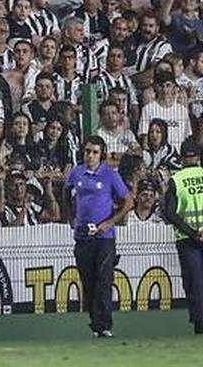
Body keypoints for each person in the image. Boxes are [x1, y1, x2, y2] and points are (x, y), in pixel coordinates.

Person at [65, 134, 133, 338]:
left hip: (104, 237)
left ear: (101, 154)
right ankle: (95, 323)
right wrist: (70, 217)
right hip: (83, 235)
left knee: (104, 279)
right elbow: (66, 192)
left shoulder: (110, 175)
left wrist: (109, 222)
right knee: (88, 280)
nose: (90, 156)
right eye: (87, 151)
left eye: (94, 152)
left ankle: (104, 325)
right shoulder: (76, 172)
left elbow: (128, 201)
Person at [164, 141, 203, 335]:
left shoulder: (177, 179)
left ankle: (199, 326)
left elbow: (170, 212)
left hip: (187, 239)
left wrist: (193, 233)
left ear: (182, 158)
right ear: (199, 158)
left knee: (195, 282)